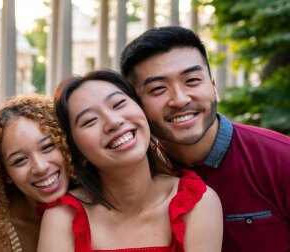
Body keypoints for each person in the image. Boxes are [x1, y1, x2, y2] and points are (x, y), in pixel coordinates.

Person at [119, 26, 290, 251]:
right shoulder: (133, 176)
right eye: (158, 89)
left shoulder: (281, 159)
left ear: (213, 87)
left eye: (191, 81)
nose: (180, 100)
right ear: (137, 104)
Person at [39, 70, 222, 251]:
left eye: (118, 104)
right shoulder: (62, 217)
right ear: (77, 152)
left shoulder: (196, 201)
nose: (113, 122)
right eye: (89, 121)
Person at [0, 95, 73, 252]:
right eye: (20, 160)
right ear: (5, 173)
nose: (40, 167)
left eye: (47, 147)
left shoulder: (99, 202)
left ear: (65, 144)